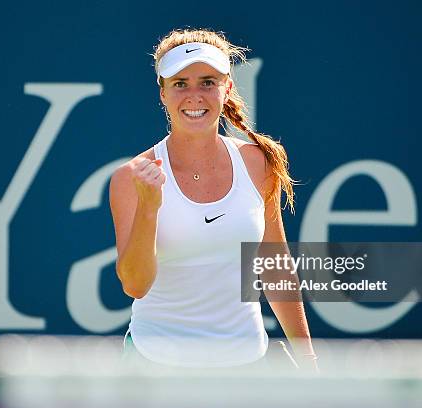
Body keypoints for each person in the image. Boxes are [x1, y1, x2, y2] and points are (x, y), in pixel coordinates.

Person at [109, 28, 318, 371]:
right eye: (180, 84)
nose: (195, 96)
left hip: (245, 364)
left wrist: (309, 361)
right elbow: (135, 284)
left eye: (207, 81)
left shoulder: (258, 163)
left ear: (227, 88)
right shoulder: (130, 178)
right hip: (154, 365)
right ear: (163, 93)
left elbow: (275, 266)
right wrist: (149, 206)